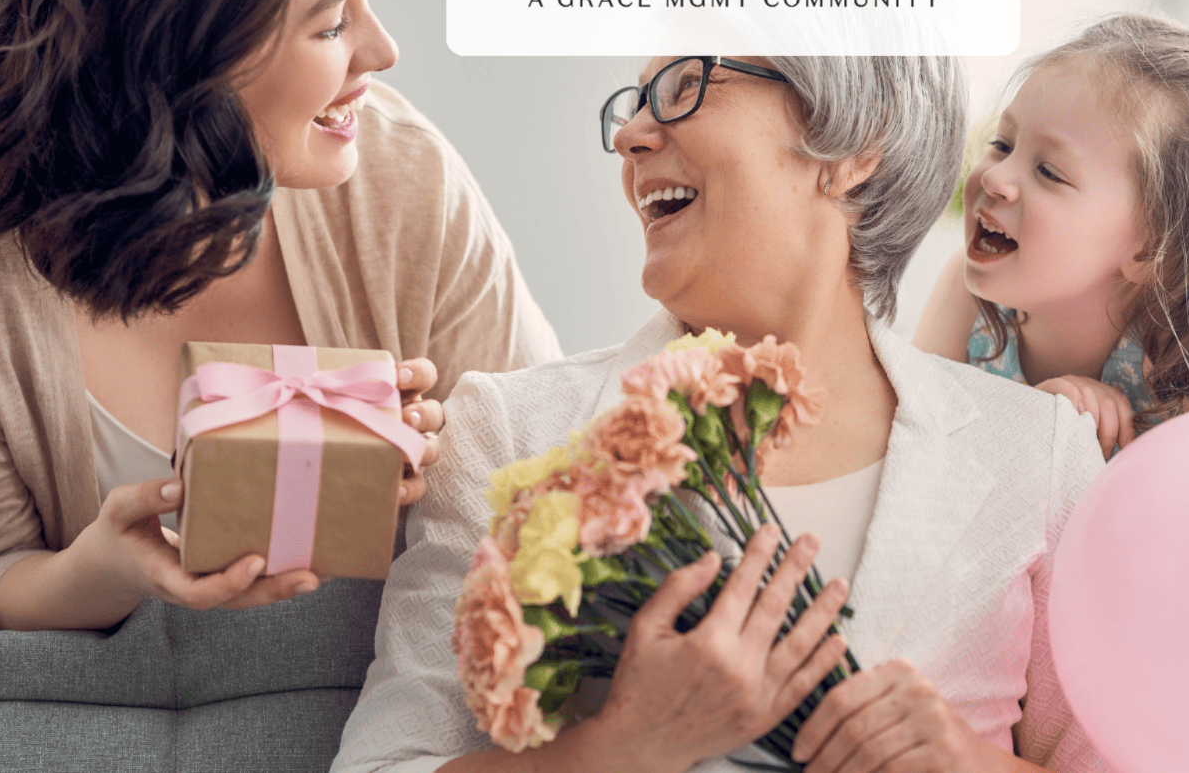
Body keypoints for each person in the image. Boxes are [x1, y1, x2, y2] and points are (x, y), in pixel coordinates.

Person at [333, 55, 1110, 773]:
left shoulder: (1037, 455)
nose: (632, 138)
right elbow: (380, 763)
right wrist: (621, 750)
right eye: (634, 106)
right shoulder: (506, 431)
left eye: (685, 89)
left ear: (854, 143)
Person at [0, 0, 560, 632]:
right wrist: (108, 566)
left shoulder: (402, 179)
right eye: (331, 24)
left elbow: (555, 486)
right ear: (181, 55)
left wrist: (452, 467)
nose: (383, 50)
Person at [914, 13, 1189, 458]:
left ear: (1151, 249)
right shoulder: (970, 301)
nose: (996, 176)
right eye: (1002, 144)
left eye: (1049, 172)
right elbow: (914, 455)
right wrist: (1032, 426)